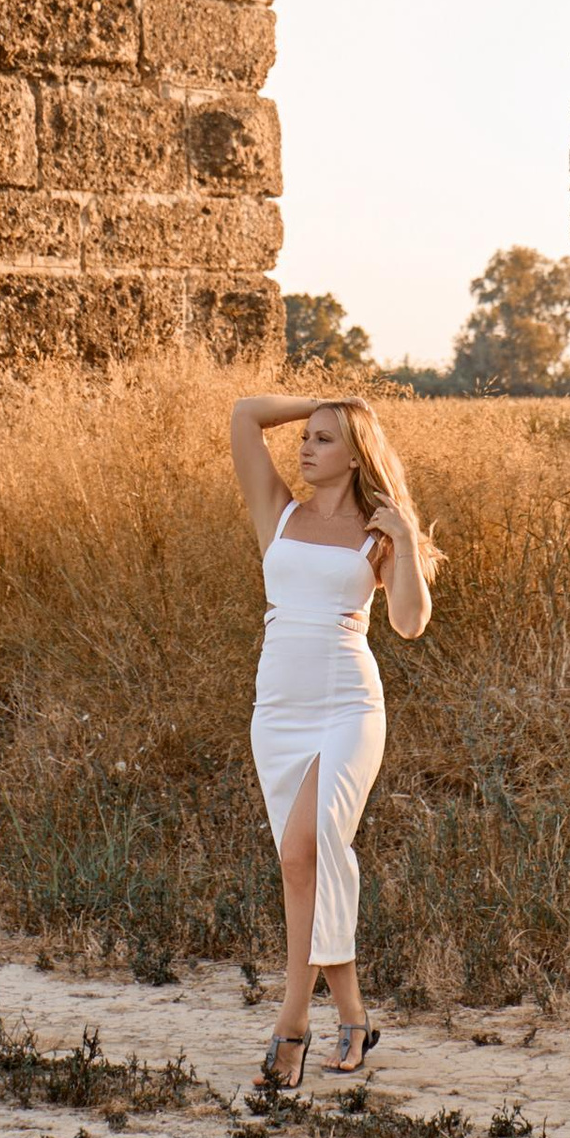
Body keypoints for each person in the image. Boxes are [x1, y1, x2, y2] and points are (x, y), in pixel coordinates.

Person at [229, 391, 438, 1087]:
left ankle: (291, 1022)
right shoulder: (279, 512)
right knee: (304, 864)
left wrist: (404, 541)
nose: (305, 447)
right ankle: (353, 1013)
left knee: (308, 849)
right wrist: (324, 403)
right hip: (278, 709)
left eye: (323, 438)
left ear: (354, 455)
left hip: (347, 705)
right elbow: (245, 414)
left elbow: (409, 623)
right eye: (307, 437)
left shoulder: (378, 532)